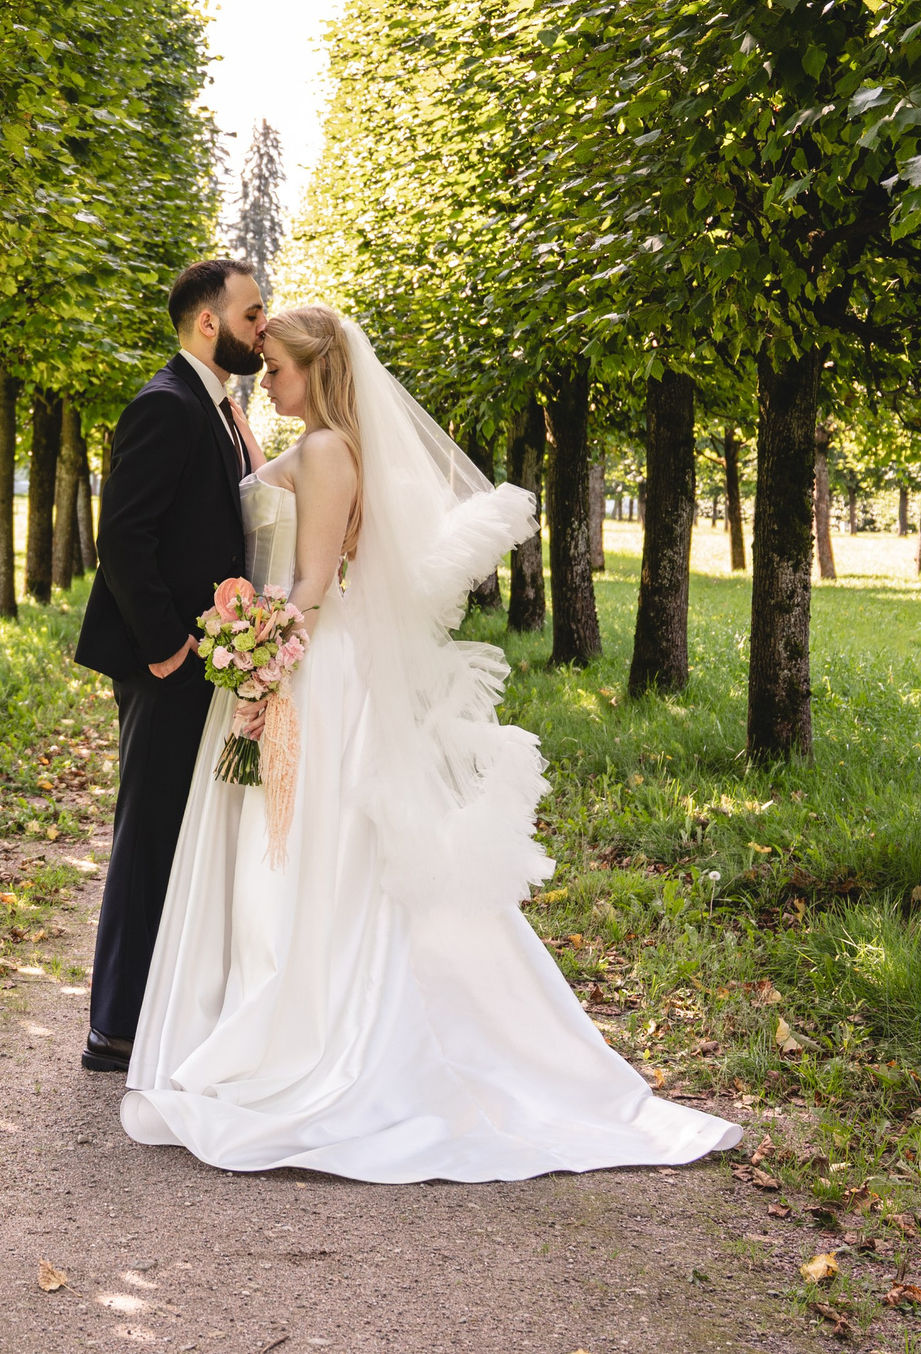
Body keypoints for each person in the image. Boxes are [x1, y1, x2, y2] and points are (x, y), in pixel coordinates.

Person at [118, 305, 743, 1180]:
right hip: (289, 662)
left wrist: (258, 656)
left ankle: (319, 1028)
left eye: (283, 367)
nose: (271, 379)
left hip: (312, 668)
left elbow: (316, 582)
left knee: (311, 848)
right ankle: (266, 1009)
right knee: (284, 848)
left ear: (319, 371)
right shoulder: (309, 441)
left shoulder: (332, 449)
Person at [72, 258, 267, 1075]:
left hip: (204, 661)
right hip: (169, 663)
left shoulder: (216, 407)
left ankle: (157, 1010)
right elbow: (122, 536)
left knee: (178, 832)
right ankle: (115, 1025)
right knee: (149, 832)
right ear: (208, 323)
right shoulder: (165, 404)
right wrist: (165, 647)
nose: (264, 326)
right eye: (253, 314)